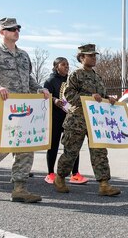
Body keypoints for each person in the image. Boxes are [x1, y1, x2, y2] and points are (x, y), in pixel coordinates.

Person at [0, 17, 50, 203]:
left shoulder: (24, 55)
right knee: (0, 147)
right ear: (2, 32)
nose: (16, 31)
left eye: (18, 28)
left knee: (26, 147)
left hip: (26, 108)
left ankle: (19, 188)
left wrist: (39, 88)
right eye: (11, 29)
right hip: (6, 107)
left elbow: (28, 78)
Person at [53, 44, 121, 197]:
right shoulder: (76, 75)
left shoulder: (97, 77)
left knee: (100, 152)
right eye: (90, 55)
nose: (94, 58)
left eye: (95, 55)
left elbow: (101, 97)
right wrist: (89, 98)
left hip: (96, 121)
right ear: (82, 58)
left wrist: (108, 99)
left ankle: (104, 184)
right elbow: (68, 95)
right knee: (71, 152)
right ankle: (60, 178)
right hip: (77, 120)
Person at [43, 57, 86, 185]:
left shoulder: (70, 80)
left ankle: (75, 174)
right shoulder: (50, 81)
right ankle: (50, 173)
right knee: (54, 145)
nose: (67, 66)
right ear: (57, 67)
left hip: (70, 117)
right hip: (55, 117)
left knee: (73, 145)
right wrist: (55, 100)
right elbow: (45, 97)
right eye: (63, 64)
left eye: (67, 64)